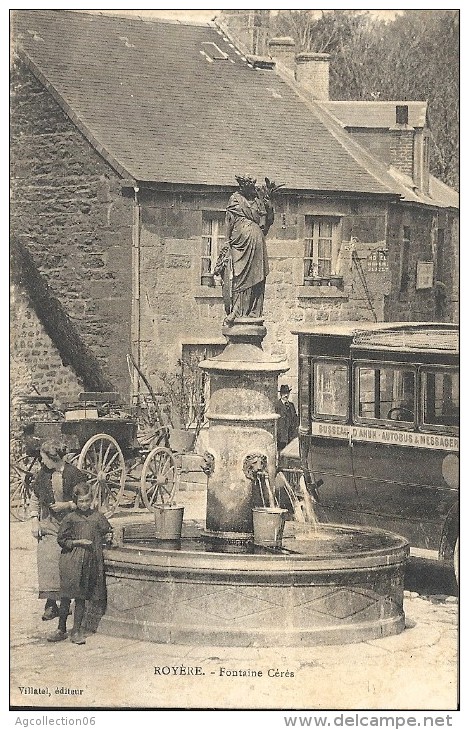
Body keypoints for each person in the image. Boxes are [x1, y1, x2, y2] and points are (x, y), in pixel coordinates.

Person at [47, 482, 112, 645]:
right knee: (66, 597)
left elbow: (107, 530)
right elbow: (61, 539)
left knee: (81, 598)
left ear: (91, 500)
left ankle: (76, 631)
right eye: (81, 501)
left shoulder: (97, 517)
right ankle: (61, 629)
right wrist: (78, 542)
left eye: (87, 501)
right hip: (71, 560)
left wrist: (109, 538)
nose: (84, 504)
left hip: (89, 562)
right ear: (75, 501)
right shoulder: (70, 518)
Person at [29, 440, 86, 621]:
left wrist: (67, 505)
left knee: (66, 562)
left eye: (44, 458)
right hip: (49, 523)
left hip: (70, 524)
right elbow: (35, 497)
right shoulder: (43, 473)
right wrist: (34, 520)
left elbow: (85, 501)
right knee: (46, 556)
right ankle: (50, 603)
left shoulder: (75, 475)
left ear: (54, 459)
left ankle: (65, 603)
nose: (42, 461)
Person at [219, 175, 281, 324]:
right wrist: (227, 242)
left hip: (257, 243)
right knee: (239, 277)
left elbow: (268, 221)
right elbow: (228, 221)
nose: (250, 189)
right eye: (246, 186)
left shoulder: (258, 200)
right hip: (239, 244)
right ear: (242, 186)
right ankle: (236, 311)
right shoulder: (234, 199)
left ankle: (253, 311)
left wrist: (269, 204)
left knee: (256, 278)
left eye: (251, 186)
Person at [276, 384, 299, 452]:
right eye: (284, 393)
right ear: (280, 394)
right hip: (281, 437)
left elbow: (295, 419)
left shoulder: (291, 405)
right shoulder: (277, 405)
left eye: (287, 393)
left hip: (291, 436)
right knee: (281, 454)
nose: (286, 395)